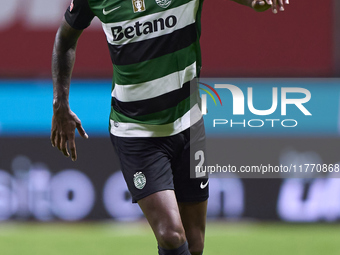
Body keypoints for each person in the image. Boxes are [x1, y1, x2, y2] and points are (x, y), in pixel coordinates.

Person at [50, 0, 289, 254]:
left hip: (189, 123)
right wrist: (60, 104)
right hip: (136, 132)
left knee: (194, 243)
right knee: (171, 234)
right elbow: (65, 40)